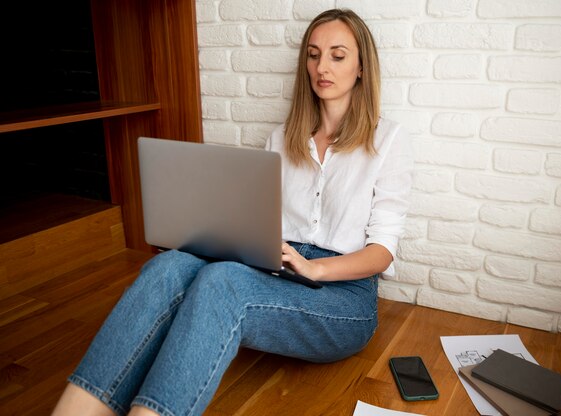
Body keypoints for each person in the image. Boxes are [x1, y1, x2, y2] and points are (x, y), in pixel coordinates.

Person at [52, 8, 413, 416]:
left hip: (344, 296)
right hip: (279, 268)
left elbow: (382, 252)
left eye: (337, 55)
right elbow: (257, 225)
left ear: (362, 67)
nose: (321, 67)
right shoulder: (282, 138)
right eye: (313, 55)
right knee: (168, 267)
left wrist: (316, 270)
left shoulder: (388, 139)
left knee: (222, 283)